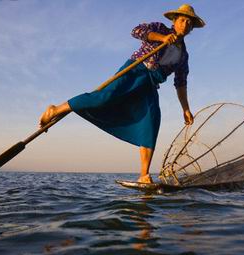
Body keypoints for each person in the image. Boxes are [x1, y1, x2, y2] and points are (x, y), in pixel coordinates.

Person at [39, 4, 205, 183]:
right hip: (135, 70)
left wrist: (185, 109)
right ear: (174, 20)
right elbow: (137, 31)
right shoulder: (160, 28)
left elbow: (180, 83)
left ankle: (144, 175)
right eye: (182, 20)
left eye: (189, 22)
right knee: (104, 98)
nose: (185, 24)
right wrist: (162, 38)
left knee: (152, 120)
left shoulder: (183, 55)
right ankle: (56, 109)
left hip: (150, 83)